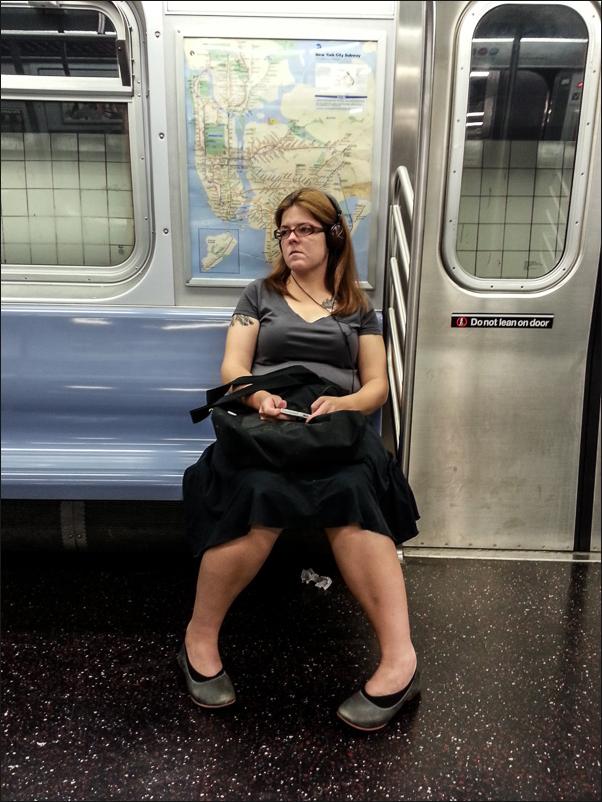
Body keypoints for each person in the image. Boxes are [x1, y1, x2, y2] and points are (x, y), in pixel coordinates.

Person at [180, 187, 420, 731]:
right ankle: (199, 638)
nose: (292, 239)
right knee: (256, 493)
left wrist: (344, 403)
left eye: (305, 229)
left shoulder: (358, 308)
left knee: (354, 495)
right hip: (267, 425)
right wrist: (257, 396)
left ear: (333, 236)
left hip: (334, 428)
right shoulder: (258, 296)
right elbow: (233, 368)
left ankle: (400, 661)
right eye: (284, 231)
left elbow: (376, 386)